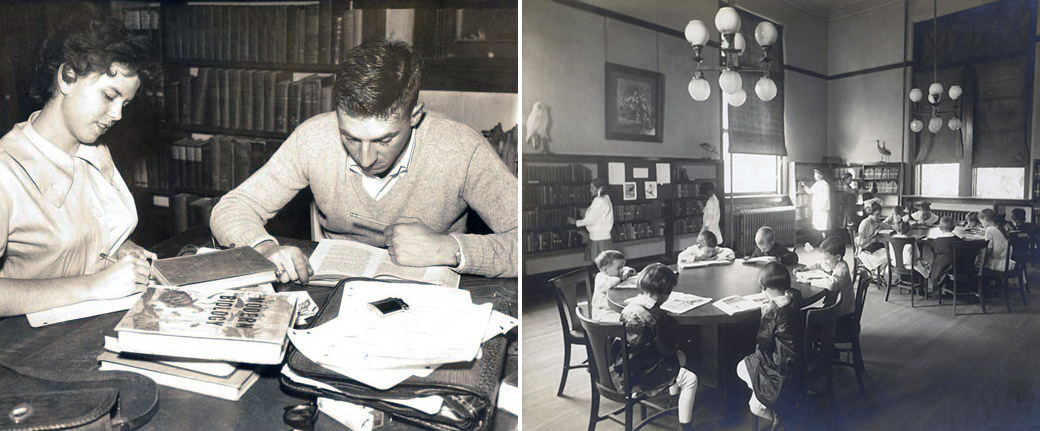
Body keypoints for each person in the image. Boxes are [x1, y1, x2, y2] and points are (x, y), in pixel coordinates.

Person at [209, 40, 518, 281]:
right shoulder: (314, 137)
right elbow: (232, 207)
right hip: (334, 292)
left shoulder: (462, 149)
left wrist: (450, 249)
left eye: (384, 140)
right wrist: (264, 248)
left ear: (415, 115)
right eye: (351, 138)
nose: (367, 158)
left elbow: (525, 239)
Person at [0, 13, 156, 318]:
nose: (117, 115)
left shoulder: (95, 150)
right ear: (66, 77)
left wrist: (119, 249)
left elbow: (70, 240)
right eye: (110, 96)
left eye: (125, 104)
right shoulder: (5, 170)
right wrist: (95, 285)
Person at [613, 263, 699, 431]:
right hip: (645, 372)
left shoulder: (628, 308)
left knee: (677, 357)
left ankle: (673, 399)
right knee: (690, 378)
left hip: (626, 365)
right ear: (666, 294)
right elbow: (667, 351)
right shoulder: (657, 316)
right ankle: (685, 426)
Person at [737, 262, 803, 428]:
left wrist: (764, 316)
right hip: (794, 364)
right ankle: (779, 405)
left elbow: (763, 342)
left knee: (742, 368)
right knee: (747, 367)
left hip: (779, 369)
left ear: (764, 287)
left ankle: (778, 412)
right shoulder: (793, 299)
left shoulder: (773, 311)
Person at [797, 236, 854, 335]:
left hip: (841, 317)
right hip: (832, 310)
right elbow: (819, 265)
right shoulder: (833, 263)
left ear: (838, 257)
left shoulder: (842, 269)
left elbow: (831, 284)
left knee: (802, 319)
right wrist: (805, 269)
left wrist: (810, 281)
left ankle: (814, 347)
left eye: (826, 258)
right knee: (801, 315)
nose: (824, 261)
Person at [569, 178, 614, 263]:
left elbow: (590, 219)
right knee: (604, 263)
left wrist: (575, 222)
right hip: (600, 237)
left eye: (592, 188)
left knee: (601, 263)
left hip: (599, 238)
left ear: (600, 189)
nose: (590, 190)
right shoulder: (605, 199)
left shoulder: (600, 201)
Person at [591, 250, 635, 321]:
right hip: (603, 314)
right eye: (618, 268)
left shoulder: (615, 272)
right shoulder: (601, 277)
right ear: (605, 269)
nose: (621, 270)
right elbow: (606, 285)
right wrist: (619, 279)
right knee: (630, 319)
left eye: (622, 267)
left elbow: (627, 269)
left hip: (613, 310)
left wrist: (628, 272)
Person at [856, 198, 889, 273]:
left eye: (879, 215)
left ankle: (877, 274)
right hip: (864, 251)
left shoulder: (876, 221)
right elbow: (861, 243)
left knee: (890, 254)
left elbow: (888, 226)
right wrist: (874, 235)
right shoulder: (864, 223)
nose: (878, 217)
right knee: (887, 257)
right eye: (876, 215)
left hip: (872, 248)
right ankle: (876, 274)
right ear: (871, 213)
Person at [928, 216, 958, 289]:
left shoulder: (936, 241)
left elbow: (933, 251)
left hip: (941, 268)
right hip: (957, 268)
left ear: (940, 228)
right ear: (954, 227)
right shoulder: (959, 241)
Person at [800, 169, 831, 239]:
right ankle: (819, 239)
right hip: (817, 208)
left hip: (822, 208)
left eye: (815, 174)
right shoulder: (817, 183)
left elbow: (826, 197)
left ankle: (824, 240)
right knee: (817, 225)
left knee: (823, 225)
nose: (814, 176)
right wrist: (804, 186)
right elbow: (810, 191)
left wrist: (822, 206)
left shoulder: (825, 184)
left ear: (820, 175)